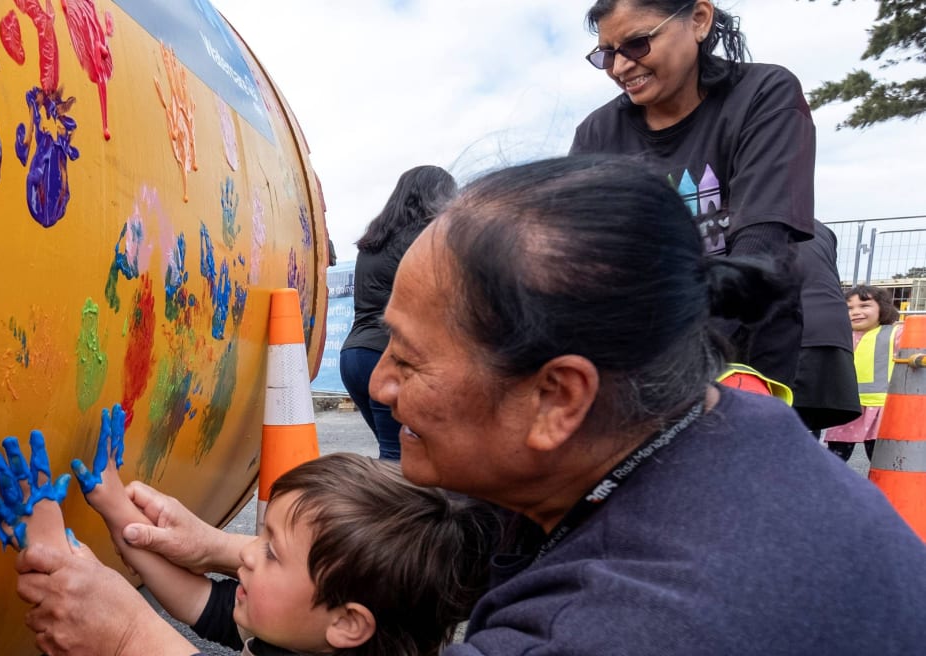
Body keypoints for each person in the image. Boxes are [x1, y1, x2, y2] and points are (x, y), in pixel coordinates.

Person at [361, 156, 922, 654]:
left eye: (408, 361)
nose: (379, 384)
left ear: (558, 397)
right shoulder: (731, 423)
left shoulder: (608, 626)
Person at [0, 408, 490, 656]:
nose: (247, 554)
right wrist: (122, 519)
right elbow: (201, 605)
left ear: (349, 623)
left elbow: (155, 631)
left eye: (273, 553)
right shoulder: (304, 631)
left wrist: (128, 634)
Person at [569, 0, 814, 389]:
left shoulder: (764, 95)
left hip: (743, 347)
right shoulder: (598, 133)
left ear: (699, 20)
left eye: (636, 44)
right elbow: (584, 259)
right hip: (639, 356)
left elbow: (760, 244)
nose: (620, 67)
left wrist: (673, 355)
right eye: (607, 55)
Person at [339, 165, 457, 459]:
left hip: (354, 355)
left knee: (394, 453)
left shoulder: (371, 242)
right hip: (391, 356)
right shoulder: (428, 239)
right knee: (401, 461)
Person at [791, 220, 861, 434]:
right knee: (802, 427)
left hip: (787, 327)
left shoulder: (739, 216)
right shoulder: (819, 228)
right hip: (830, 330)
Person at [824, 285, 902, 462]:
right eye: (849, 308)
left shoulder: (895, 333)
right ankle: (832, 489)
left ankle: (882, 489)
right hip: (845, 408)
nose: (855, 312)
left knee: (880, 461)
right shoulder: (840, 335)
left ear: (882, 308)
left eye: (864, 305)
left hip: (880, 408)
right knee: (834, 461)